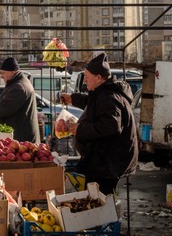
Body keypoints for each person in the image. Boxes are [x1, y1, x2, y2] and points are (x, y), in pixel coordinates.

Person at [59, 52, 138, 195]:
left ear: (98, 77)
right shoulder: (103, 93)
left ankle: (103, 217)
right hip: (103, 160)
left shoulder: (109, 98)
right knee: (97, 199)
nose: (84, 81)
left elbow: (111, 127)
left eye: (87, 77)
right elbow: (93, 103)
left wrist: (80, 129)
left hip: (108, 163)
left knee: (101, 201)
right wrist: (73, 99)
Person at [0, 57, 40, 143]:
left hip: (22, 140)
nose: (1, 76)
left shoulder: (19, 87)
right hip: (21, 137)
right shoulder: (18, 82)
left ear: (13, 72)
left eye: (3, 73)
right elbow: (10, 102)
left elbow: (1, 109)